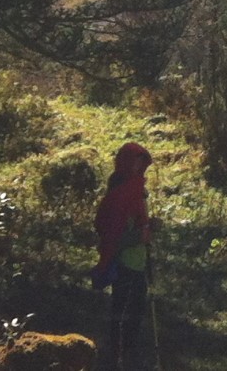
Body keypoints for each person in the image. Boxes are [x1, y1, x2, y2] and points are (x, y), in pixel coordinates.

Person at [93, 142, 154, 370]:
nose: (139, 166)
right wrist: (141, 236)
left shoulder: (138, 190)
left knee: (136, 309)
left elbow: (139, 225)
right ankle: (115, 355)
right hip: (125, 263)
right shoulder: (121, 193)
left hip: (138, 261)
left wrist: (149, 230)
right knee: (122, 310)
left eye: (142, 162)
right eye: (136, 161)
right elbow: (115, 234)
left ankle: (127, 353)